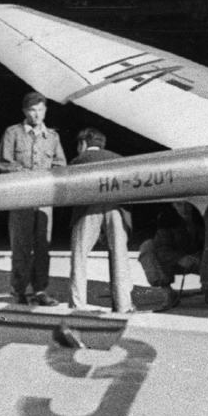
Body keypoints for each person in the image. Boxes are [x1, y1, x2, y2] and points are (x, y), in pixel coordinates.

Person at [0, 91, 66, 305]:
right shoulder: (12, 133)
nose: (36, 115)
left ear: (45, 111)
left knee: (43, 246)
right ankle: (18, 290)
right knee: (21, 245)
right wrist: (27, 175)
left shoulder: (52, 137)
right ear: (25, 111)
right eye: (32, 110)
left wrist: (45, 177)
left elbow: (60, 165)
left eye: (40, 110)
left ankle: (39, 291)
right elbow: (4, 163)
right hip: (21, 198)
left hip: (44, 200)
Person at [67, 127, 134, 314]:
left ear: (83, 143)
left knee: (79, 256)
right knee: (119, 256)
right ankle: (123, 305)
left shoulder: (78, 161)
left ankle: (78, 305)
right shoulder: (120, 159)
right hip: (117, 208)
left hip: (88, 208)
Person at [138, 201, 205, 309]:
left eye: (187, 204)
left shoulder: (203, 217)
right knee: (147, 247)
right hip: (177, 261)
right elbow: (162, 249)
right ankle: (168, 292)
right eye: (179, 204)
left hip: (203, 260)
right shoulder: (168, 220)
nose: (184, 209)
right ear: (173, 205)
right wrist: (180, 258)